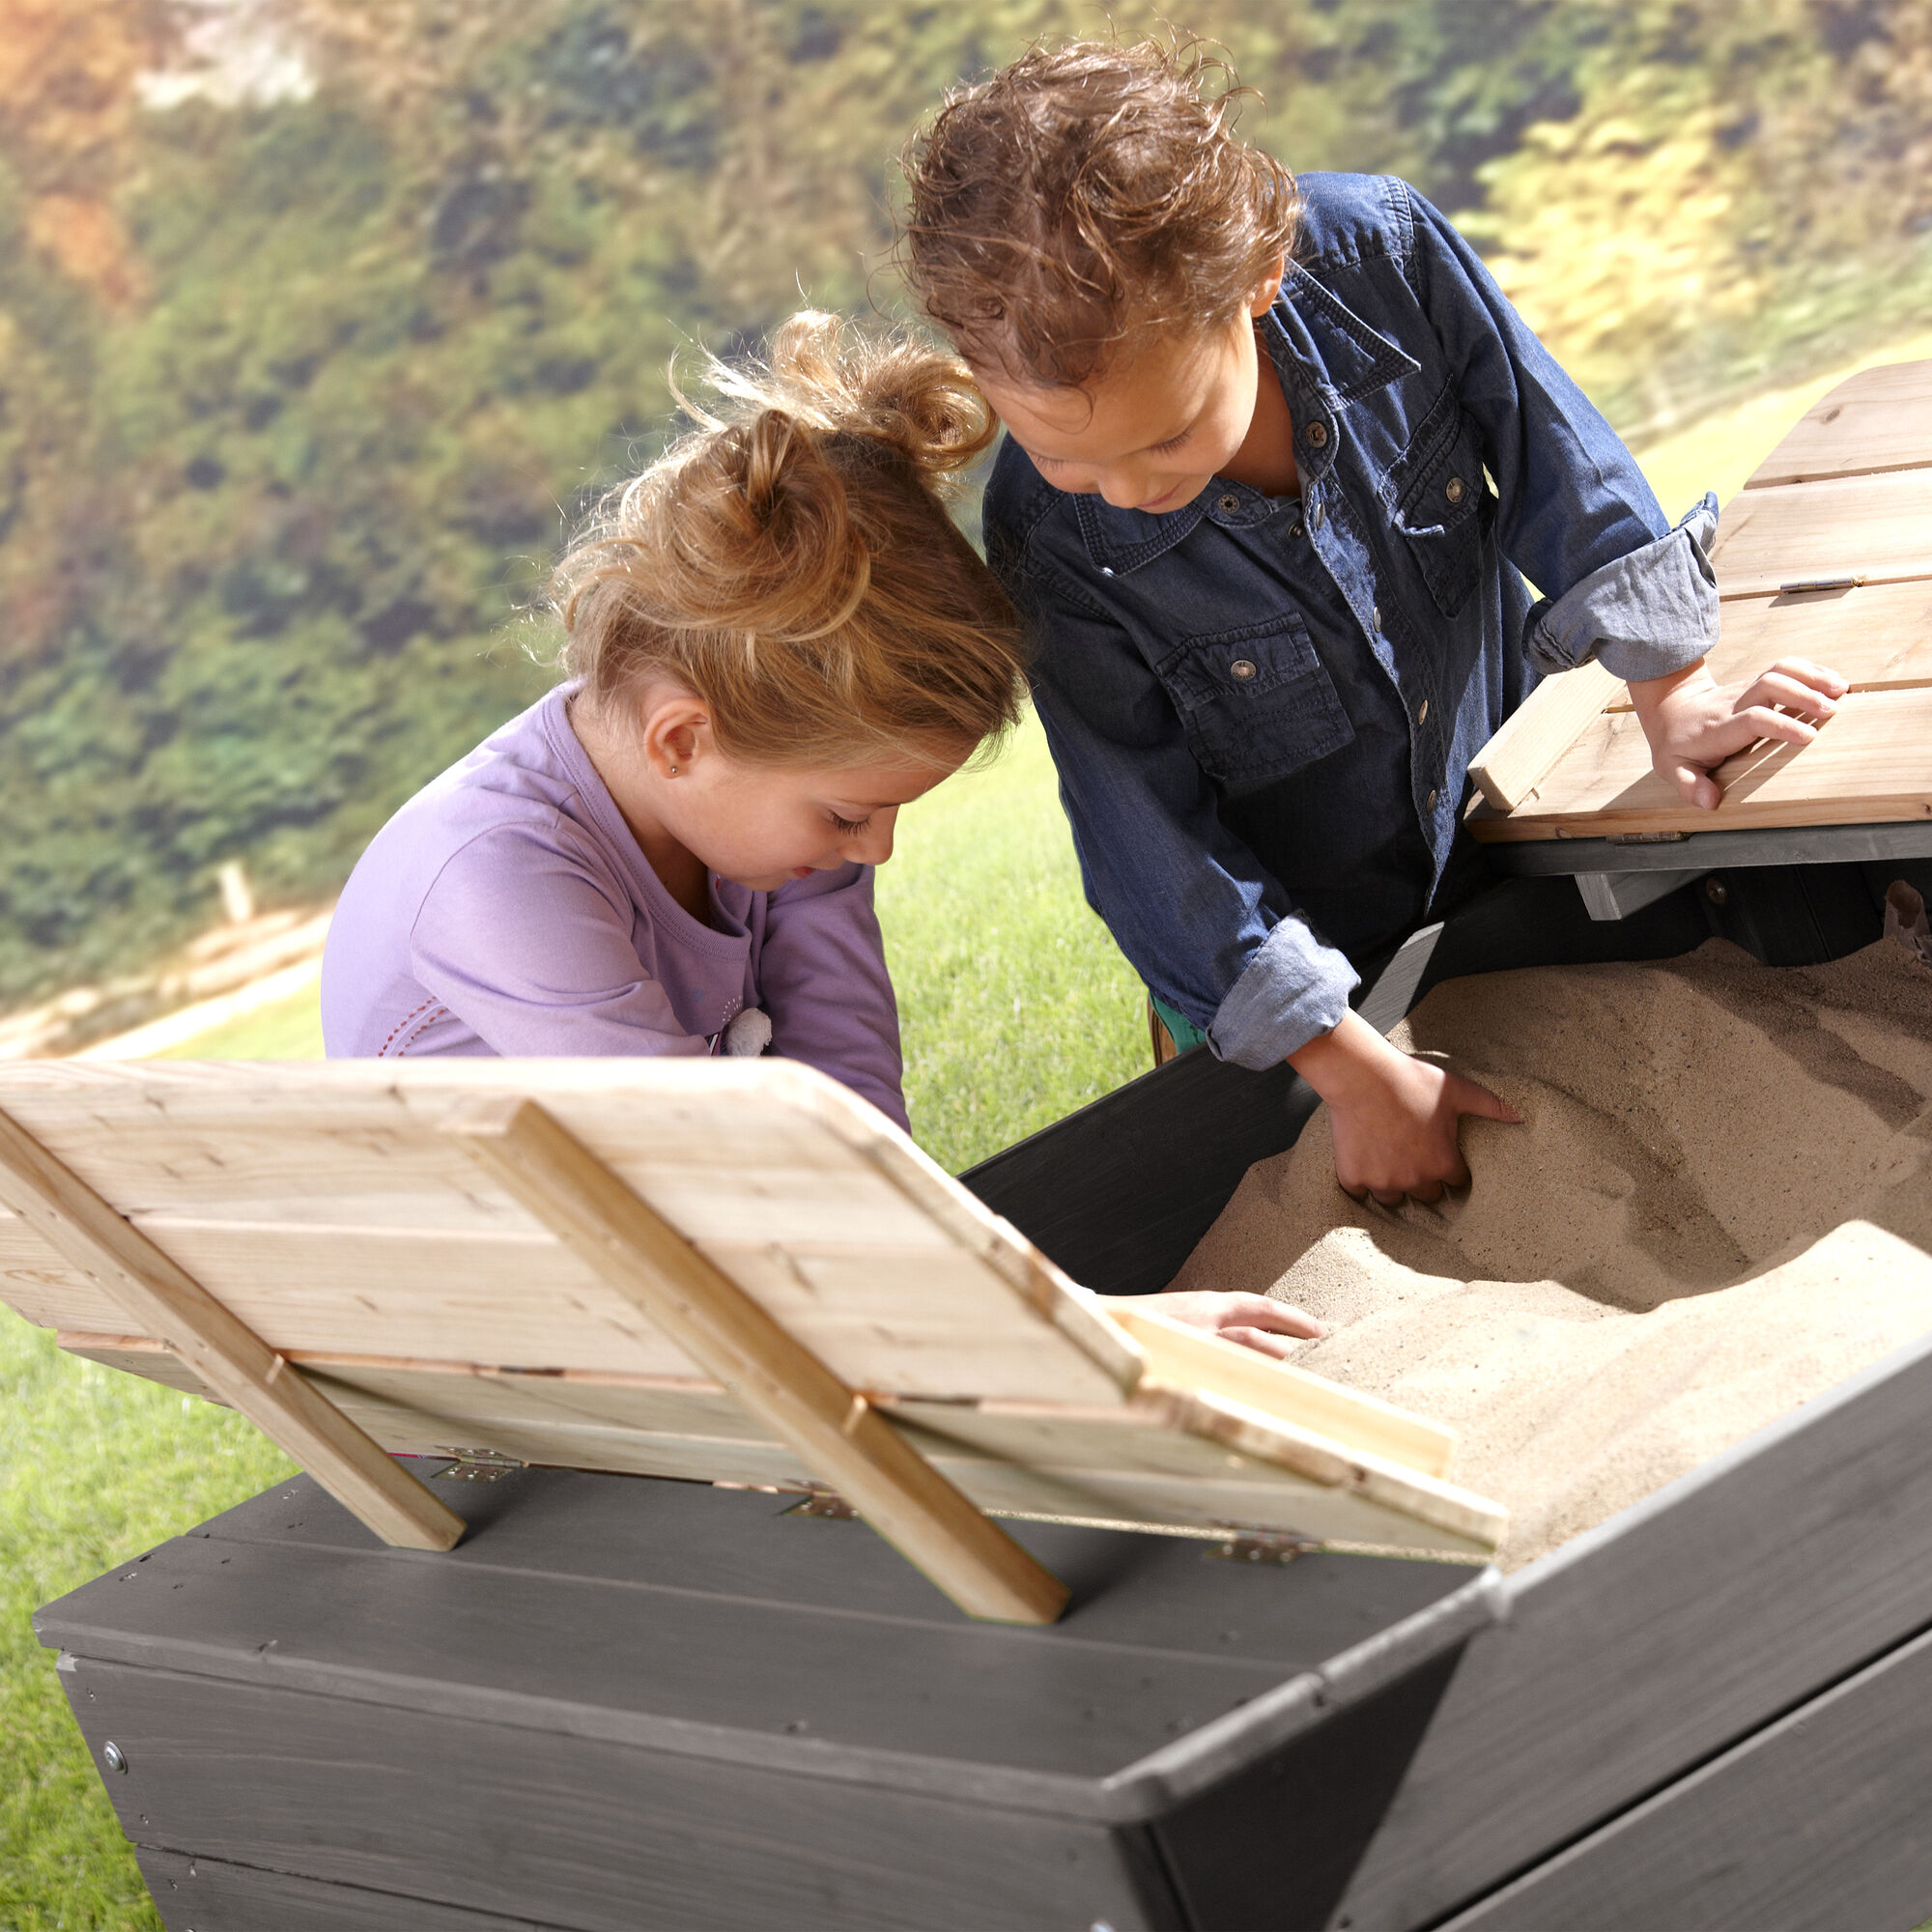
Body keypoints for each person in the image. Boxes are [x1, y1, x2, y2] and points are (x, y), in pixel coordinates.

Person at [898, 37, 1848, 1206]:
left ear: (1256, 274)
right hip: (1305, 967)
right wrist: (1350, 1077)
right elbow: (1148, 837)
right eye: (1061, 453)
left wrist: (1673, 694)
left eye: (1163, 436)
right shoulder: (1049, 536)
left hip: (1500, 819)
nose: (1127, 487)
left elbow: (1555, 459)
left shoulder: (1382, 257)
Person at [321, 313, 1026, 1133]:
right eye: (848, 815)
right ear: (682, 740)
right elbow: (700, 1155)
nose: (876, 849)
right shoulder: (496, 875)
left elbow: (850, 1088)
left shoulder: (754, 807)